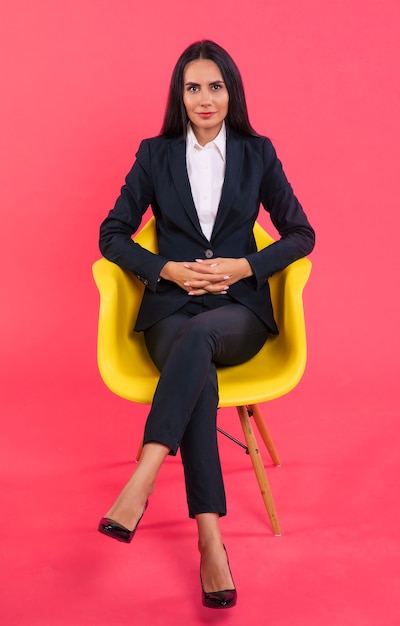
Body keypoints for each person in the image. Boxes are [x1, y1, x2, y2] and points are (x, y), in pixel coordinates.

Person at [97, 39, 315, 609]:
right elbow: (113, 234)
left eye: (215, 86)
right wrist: (165, 268)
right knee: (199, 374)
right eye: (193, 87)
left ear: (231, 90)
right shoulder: (155, 153)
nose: (204, 98)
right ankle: (210, 542)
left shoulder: (257, 152)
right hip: (171, 308)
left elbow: (300, 233)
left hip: (236, 311)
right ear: (179, 94)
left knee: (201, 342)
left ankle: (144, 476)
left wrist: (246, 265)